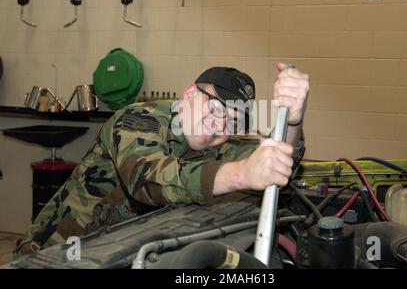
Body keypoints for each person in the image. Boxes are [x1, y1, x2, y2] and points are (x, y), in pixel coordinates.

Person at [13, 63, 309, 257]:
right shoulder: (139, 119)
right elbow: (147, 177)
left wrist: (293, 121)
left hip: (117, 252)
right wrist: (241, 174)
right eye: (217, 108)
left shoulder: (219, 140)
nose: (220, 126)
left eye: (233, 121)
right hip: (56, 253)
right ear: (191, 93)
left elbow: (278, 160)